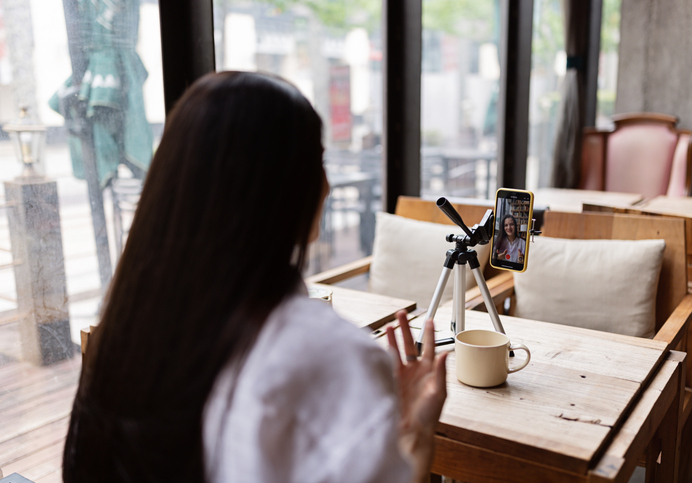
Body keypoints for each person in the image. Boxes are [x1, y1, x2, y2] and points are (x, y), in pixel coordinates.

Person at [62, 71, 448, 483]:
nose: (328, 185)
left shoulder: (129, 332)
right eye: (317, 161)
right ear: (277, 188)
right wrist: (413, 435)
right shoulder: (335, 359)